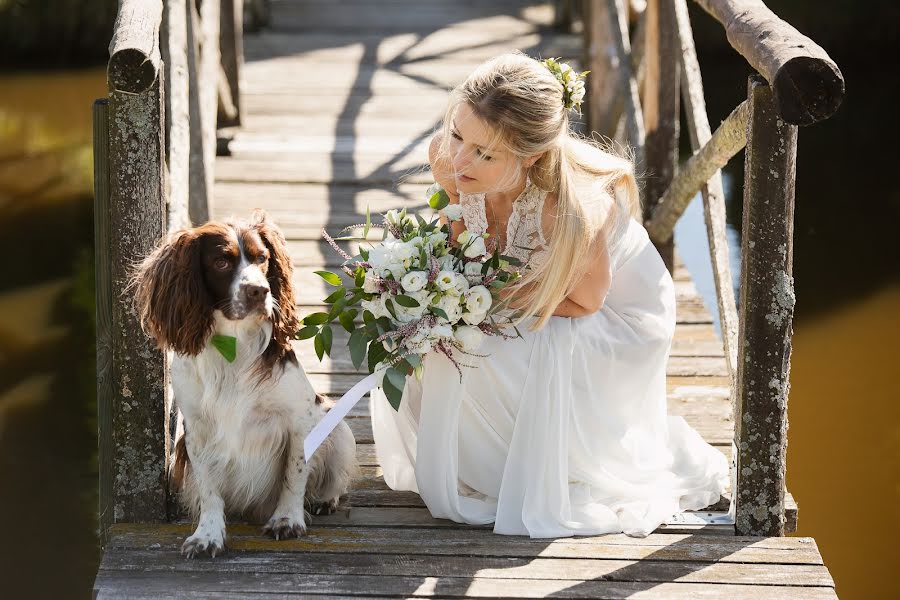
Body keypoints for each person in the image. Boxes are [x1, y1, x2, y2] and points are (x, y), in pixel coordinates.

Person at [369, 51, 729, 538]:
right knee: (427, 335)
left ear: (531, 156)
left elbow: (587, 303)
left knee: (486, 350)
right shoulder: (449, 158)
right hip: (523, 289)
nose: (458, 160)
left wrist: (486, 308)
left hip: (611, 320)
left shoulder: (569, 210)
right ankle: (480, 464)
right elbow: (459, 238)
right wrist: (442, 297)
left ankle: (534, 464)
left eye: (485, 154)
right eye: (458, 135)